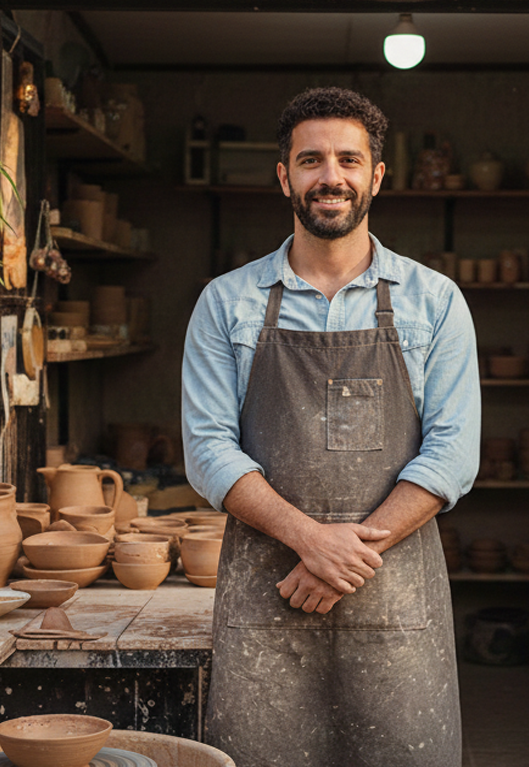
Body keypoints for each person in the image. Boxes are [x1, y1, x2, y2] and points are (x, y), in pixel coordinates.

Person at [182, 87, 480, 766]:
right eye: (310, 160)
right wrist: (310, 539)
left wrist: (340, 558)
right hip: (270, 598)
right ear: (284, 176)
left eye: (349, 159)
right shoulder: (226, 303)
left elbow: (454, 453)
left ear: (377, 175)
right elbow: (206, 449)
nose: (330, 176)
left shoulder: (434, 301)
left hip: (395, 606)